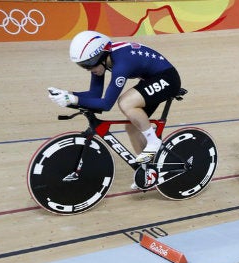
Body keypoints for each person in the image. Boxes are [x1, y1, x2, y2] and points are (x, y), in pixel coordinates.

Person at [47, 30, 181, 165]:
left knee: (125, 102)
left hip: (168, 79)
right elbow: (94, 95)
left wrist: (74, 100)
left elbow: (106, 104)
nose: (88, 69)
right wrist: (67, 95)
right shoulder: (103, 60)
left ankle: (153, 142)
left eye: (88, 64)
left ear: (100, 55)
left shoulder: (121, 64)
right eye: (83, 65)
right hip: (151, 79)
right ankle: (148, 171)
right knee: (132, 128)